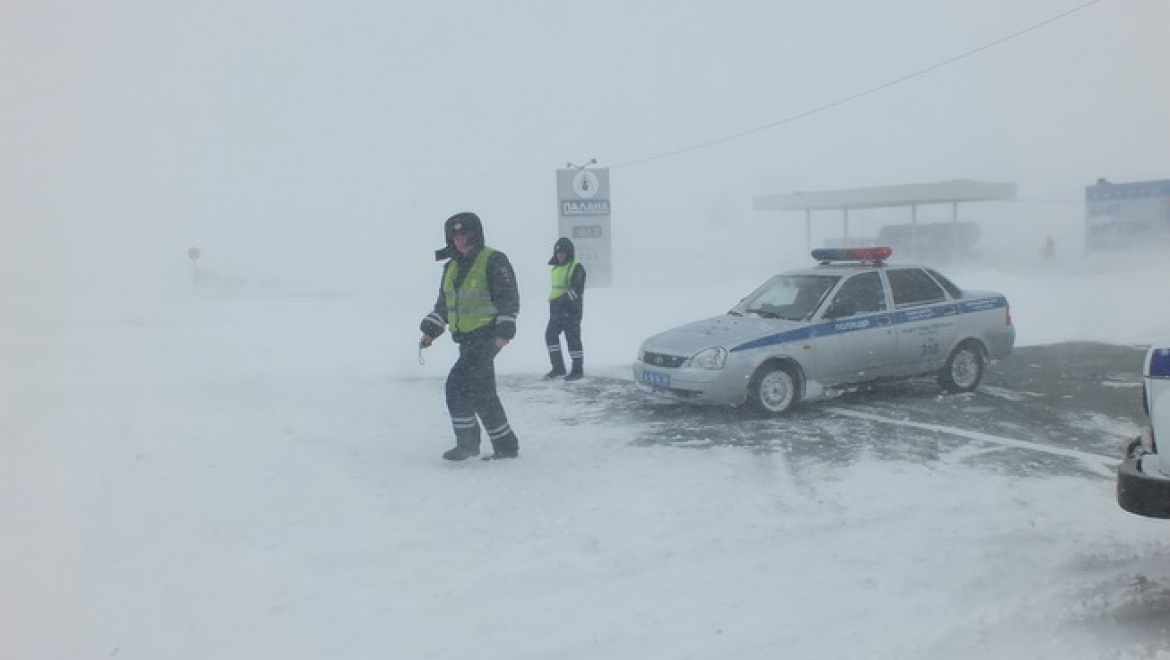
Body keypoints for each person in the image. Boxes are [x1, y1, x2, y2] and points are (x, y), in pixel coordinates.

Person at [419, 212, 521, 461]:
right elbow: (445, 305)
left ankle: (468, 444)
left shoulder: (493, 260)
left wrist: (504, 331)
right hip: (465, 340)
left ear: (476, 234)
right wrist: (431, 331)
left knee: (456, 386)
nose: (460, 240)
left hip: (486, 337)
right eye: (455, 235)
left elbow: (508, 297)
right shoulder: (451, 267)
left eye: (465, 234)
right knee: (482, 392)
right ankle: (505, 444)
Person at [543, 236, 587, 381]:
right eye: (558, 253)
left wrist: (561, 301)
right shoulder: (556, 267)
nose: (560, 255)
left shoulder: (577, 267)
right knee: (550, 336)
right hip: (556, 309)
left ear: (569, 253)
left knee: (572, 339)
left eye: (563, 253)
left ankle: (577, 370)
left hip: (571, 310)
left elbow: (576, 290)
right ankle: (558, 368)